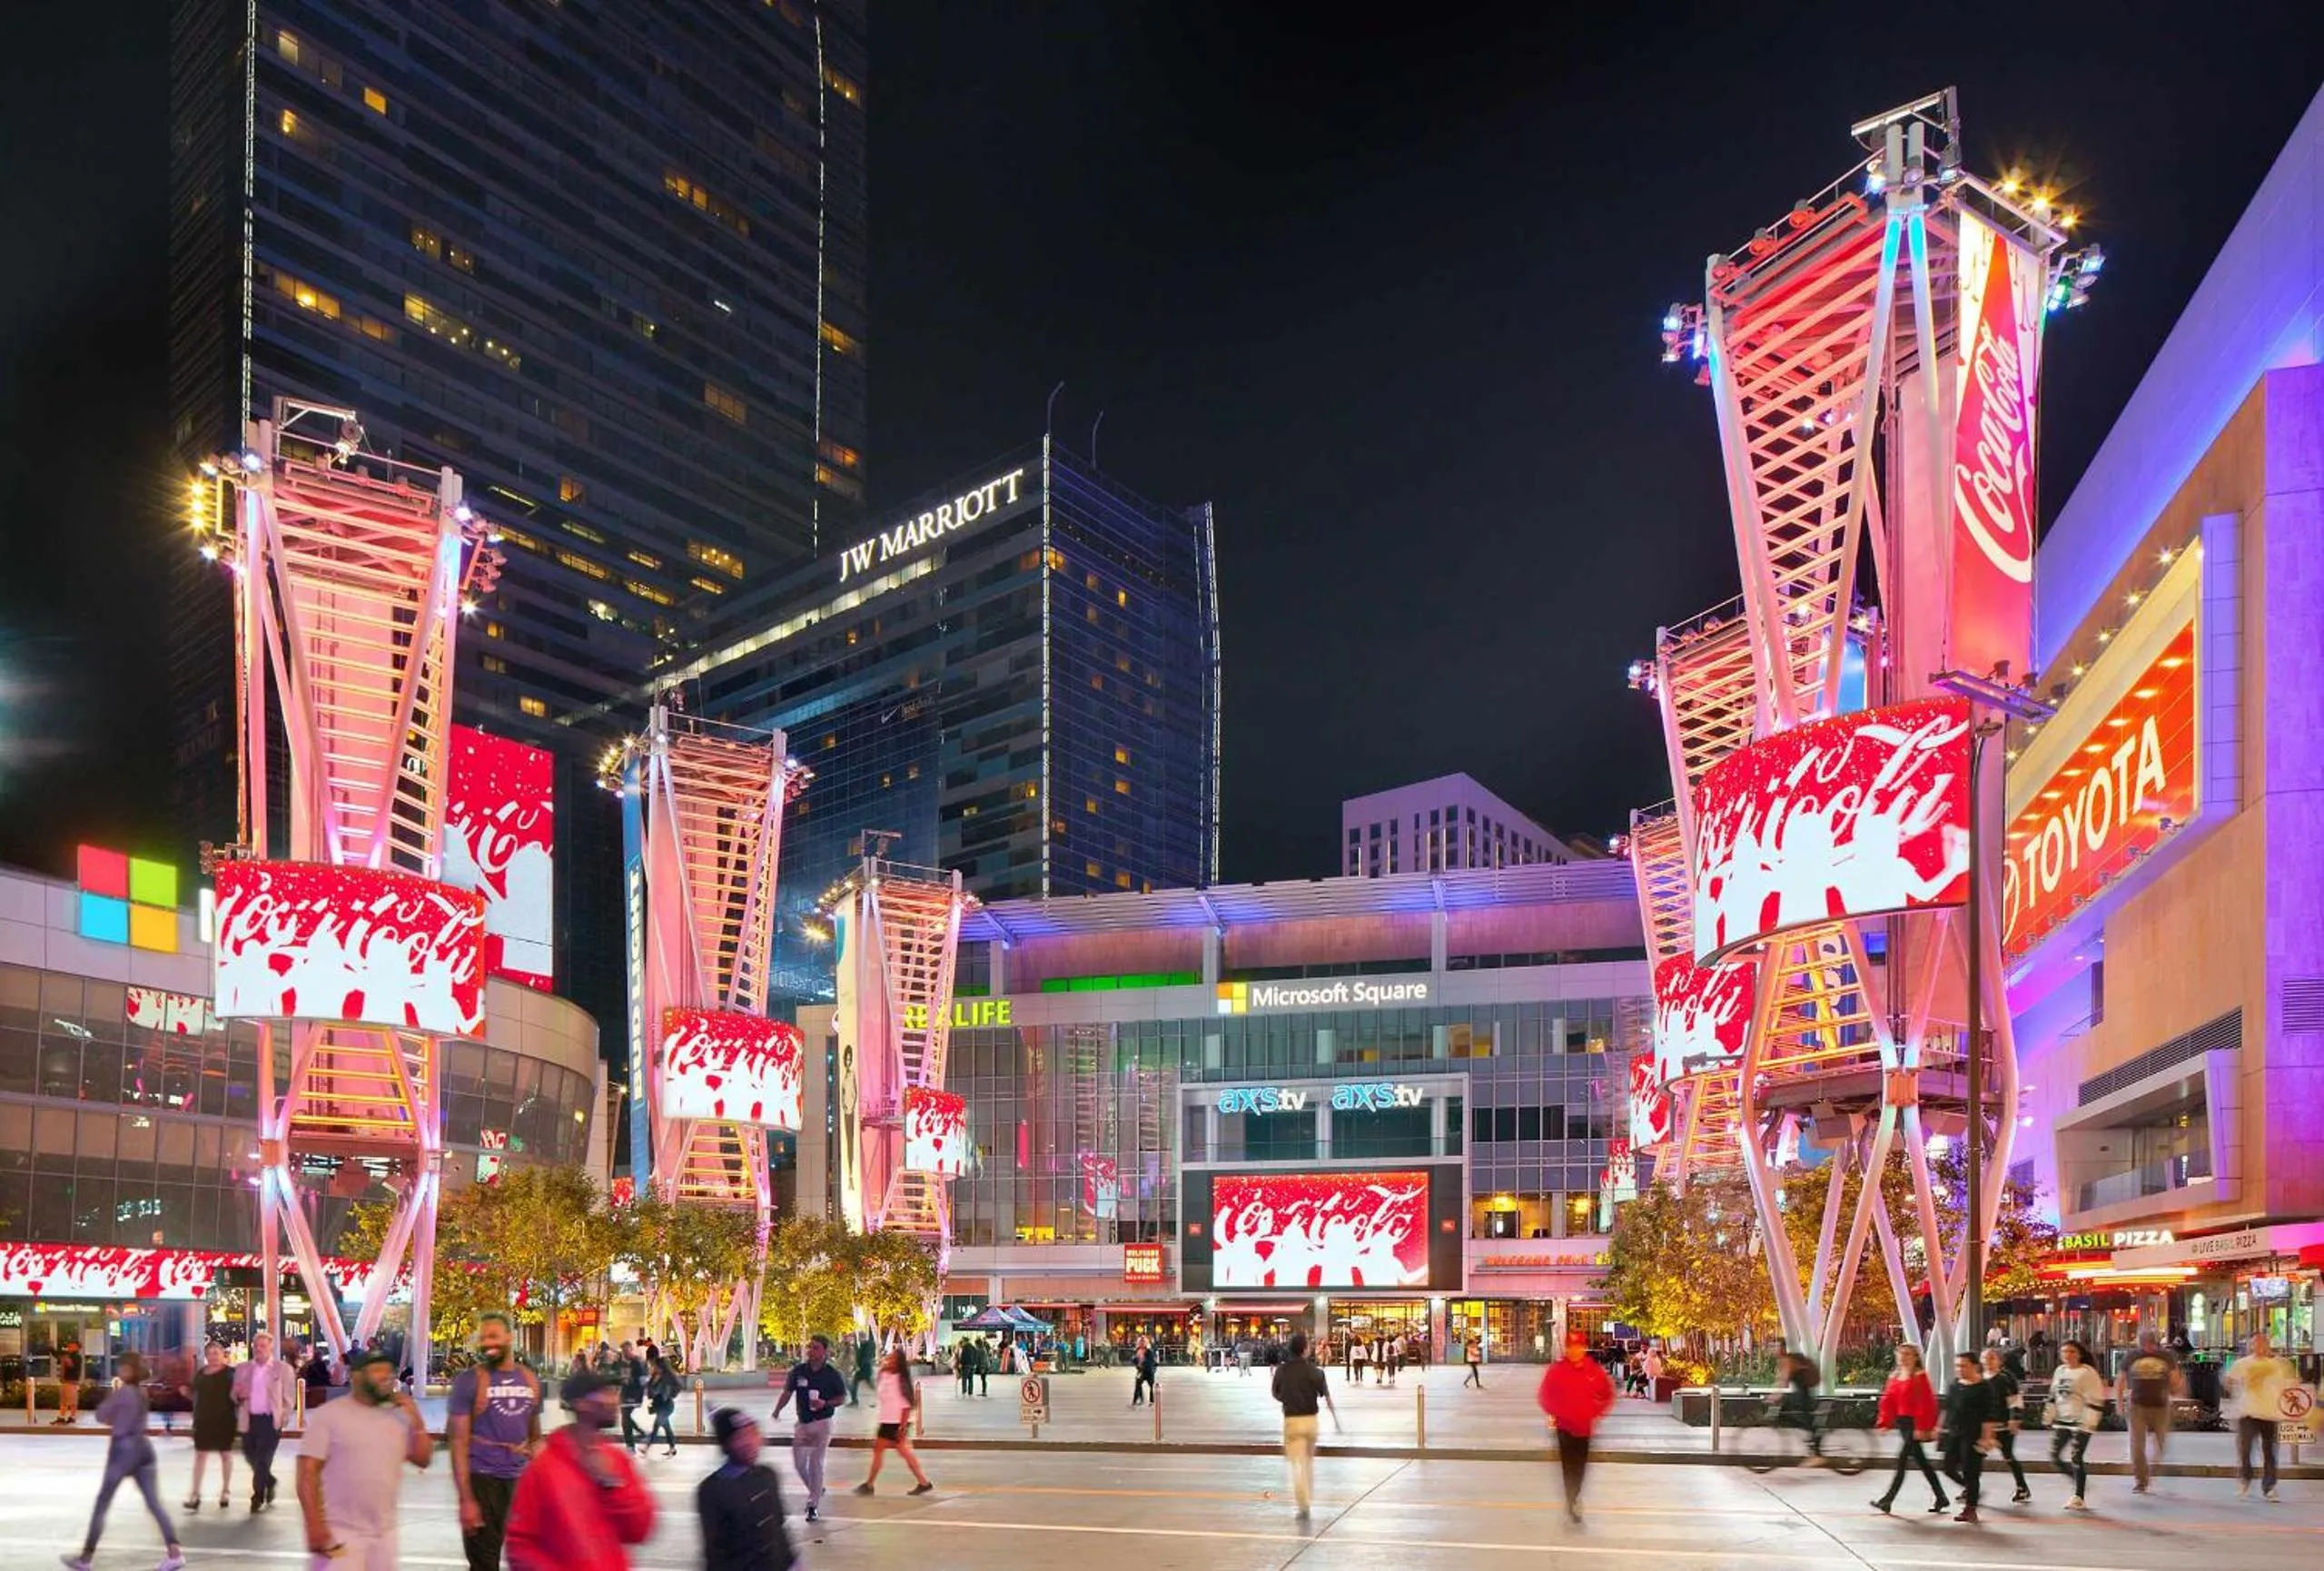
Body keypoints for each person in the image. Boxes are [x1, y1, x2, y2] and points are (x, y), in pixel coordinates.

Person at [296, 1349, 434, 1571]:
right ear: (357, 1376)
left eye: (389, 1371)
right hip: (340, 1532)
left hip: (384, 1534)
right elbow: (307, 1472)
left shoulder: (399, 1416)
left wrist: (416, 1419)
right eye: (377, 1370)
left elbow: (423, 1459)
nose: (386, 1376)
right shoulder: (329, 1415)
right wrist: (314, 1524)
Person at [505, 1368, 657, 1571]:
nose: (614, 1399)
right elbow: (520, 1545)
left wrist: (611, 1485)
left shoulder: (616, 1460)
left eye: (614, 1391)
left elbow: (640, 1529)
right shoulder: (543, 1469)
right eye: (606, 1392)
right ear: (581, 1404)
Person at [59, 1351, 186, 1571]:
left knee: (102, 1503)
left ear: (128, 1370)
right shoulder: (142, 1392)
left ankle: (86, 1558)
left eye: (122, 1367)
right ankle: (174, 1552)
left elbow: (100, 1415)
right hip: (143, 1448)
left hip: (122, 1450)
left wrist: (114, 1413)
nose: (119, 1370)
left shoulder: (123, 1392)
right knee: (154, 1503)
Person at [449, 1312, 544, 1571]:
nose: (487, 1343)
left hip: (519, 1484)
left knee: (529, 1559)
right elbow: (457, 1442)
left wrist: (537, 1448)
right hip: (483, 1481)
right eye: (483, 1338)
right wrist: (466, 1499)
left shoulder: (530, 1380)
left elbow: (535, 1435)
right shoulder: (469, 1381)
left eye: (493, 1336)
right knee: (484, 1564)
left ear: (510, 1338)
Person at [700, 1408, 796, 1571]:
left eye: (753, 1433)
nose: (750, 1442)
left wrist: (793, 1564)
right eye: (740, 1437)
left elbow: (779, 1528)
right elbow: (715, 1551)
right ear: (726, 1445)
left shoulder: (768, 1476)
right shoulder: (712, 1489)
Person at [1538, 1330, 1616, 1525]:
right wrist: (1556, 1412)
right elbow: (1544, 1395)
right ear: (1567, 1348)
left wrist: (1596, 1412)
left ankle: (1574, 1496)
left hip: (1584, 1428)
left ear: (1583, 1347)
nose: (1575, 1350)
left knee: (1579, 1467)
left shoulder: (1593, 1370)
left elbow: (1607, 1393)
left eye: (1578, 1346)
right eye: (1571, 1347)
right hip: (1564, 1428)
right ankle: (1571, 1499)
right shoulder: (1557, 1370)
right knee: (1568, 1466)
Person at [771, 1334, 847, 1522]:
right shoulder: (798, 1372)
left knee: (816, 1463)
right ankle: (816, 1488)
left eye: (815, 1348)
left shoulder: (832, 1374)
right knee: (799, 1464)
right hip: (803, 1424)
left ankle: (812, 1504)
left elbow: (841, 1398)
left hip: (822, 1423)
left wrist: (825, 1403)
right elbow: (787, 1393)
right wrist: (777, 1410)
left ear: (825, 1351)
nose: (811, 1351)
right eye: (809, 1347)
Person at [1870, 1345, 1947, 1516]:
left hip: (1914, 1423)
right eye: (1900, 1354)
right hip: (1903, 1424)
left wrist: (1922, 1427)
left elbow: (1927, 1403)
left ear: (1915, 1357)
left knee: (1902, 1461)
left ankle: (1887, 1500)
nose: (1903, 1358)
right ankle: (1941, 1497)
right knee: (1922, 1463)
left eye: (1907, 1354)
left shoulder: (1919, 1376)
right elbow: (1888, 1401)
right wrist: (1884, 1422)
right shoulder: (1895, 1376)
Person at [1269, 1330, 1338, 1520]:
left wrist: (1287, 1398)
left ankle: (1303, 1504)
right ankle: (1308, 1499)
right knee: (1308, 1462)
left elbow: (1275, 1393)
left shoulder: (1282, 1371)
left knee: (1297, 1465)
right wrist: (1335, 1418)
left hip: (1292, 1420)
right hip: (1311, 1421)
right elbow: (1326, 1395)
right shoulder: (1315, 1371)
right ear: (1305, 1350)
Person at [2223, 1330, 2297, 1502]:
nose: (2260, 1346)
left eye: (2263, 1342)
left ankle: (2269, 1487)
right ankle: (2245, 1481)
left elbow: (2292, 1382)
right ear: (2251, 1345)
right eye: (2256, 1343)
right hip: (2248, 1412)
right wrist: (2238, 1392)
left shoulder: (2279, 1364)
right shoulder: (2243, 1363)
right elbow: (2228, 1381)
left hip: (2270, 1413)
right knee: (2246, 1449)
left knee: (2269, 1452)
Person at [854, 1347, 935, 1496]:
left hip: (896, 1422)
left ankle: (870, 1484)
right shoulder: (884, 1375)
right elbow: (880, 1393)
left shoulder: (901, 1379)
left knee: (896, 1452)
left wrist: (902, 1427)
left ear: (899, 1363)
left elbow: (906, 1405)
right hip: (886, 1420)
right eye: (889, 1357)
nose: (889, 1360)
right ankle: (923, 1482)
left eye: (893, 1359)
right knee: (898, 1452)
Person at [233, 1328, 298, 1512]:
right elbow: (233, 1395)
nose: (258, 1349)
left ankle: (258, 1496)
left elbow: (289, 1398)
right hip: (249, 1420)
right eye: (256, 1346)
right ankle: (269, 1481)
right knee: (249, 1455)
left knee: (263, 1459)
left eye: (262, 1346)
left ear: (270, 1348)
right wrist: (238, 1395)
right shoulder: (243, 1369)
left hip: (270, 1422)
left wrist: (283, 1417)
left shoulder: (283, 1369)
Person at [2115, 1330, 2182, 1494]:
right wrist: (2119, 1402)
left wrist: (2176, 1389)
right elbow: (2121, 1379)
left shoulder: (2166, 1356)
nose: (2148, 1347)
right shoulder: (2132, 1356)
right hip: (2137, 1405)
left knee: (2160, 1442)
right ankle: (2141, 1480)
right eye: (2145, 1343)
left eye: (2151, 1343)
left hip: (2161, 1405)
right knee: (2137, 1445)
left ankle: (2153, 1466)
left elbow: (2175, 1377)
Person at [1938, 1352, 1999, 1522]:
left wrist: (1987, 1437)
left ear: (1974, 1366)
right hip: (1954, 1432)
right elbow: (1947, 1408)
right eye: (1958, 1366)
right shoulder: (1955, 1385)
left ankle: (1970, 1508)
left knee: (1970, 1471)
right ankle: (1972, 1491)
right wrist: (1940, 1428)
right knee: (1948, 1468)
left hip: (1973, 1434)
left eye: (1964, 1365)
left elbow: (1989, 1415)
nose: (1960, 1369)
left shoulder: (1983, 1387)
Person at [2046, 1338, 2105, 1511]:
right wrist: (2049, 1415)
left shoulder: (2087, 1373)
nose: (2068, 1355)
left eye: (2072, 1352)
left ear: (2079, 1354)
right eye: (2064, 1352)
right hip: (2063, 1421)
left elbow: (2096, 1399)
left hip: (2081, 1421)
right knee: (2054, 1456)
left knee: (2076, 1456)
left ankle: (2078, 1496)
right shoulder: (2060, 1371)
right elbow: (2053, 1395)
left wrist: (2088, 1422)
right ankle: (2078, 1479)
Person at [183, 1342, 239, 1511]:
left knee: (226, 1455)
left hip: (224, 1419)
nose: (214, 1356)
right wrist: (186, 1393)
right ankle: (195, 1493)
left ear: (223, 1354)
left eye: (217, 1353)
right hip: (203, 1419)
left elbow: (238, 1395)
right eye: (210, 1353)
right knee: (200, 1456)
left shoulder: (231, 1373)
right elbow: (195, 1394)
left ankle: (225, 1491)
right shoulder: (201, 1373)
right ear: (206, 1356)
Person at [1979, 1347, 2032, 1504]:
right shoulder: (1980, 1378)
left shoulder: (2005, 1378)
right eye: (1985, 1358)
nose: (1988, 1362)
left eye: (1992, 1358)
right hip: (1985, 1425)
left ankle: (2022, 1487)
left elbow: (2015, 1399)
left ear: (1999, 1360)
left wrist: (2015, 1419)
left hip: (2003, 1425)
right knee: (1975, 1458)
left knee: (2008, 1456)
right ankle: (1970, 1488)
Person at [1776, 1352, 1825, 1463]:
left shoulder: (1788, 1360)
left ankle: (1817, 1453)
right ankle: (1814, 1446)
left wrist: (1775, 1396)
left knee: (1805, 1421)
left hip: (1803, 1394)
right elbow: (1783, 1380)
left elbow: (1784, 1380)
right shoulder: (1789, 1359)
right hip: (1804, 1393)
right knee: (1806, 1421)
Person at [646, 1351, 682, 1457]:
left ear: (660, 1366)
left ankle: (646, 1447)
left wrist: (671, 1394)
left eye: (654, 1365)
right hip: (658, 1405)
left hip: (666, 1405)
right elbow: (650, 1390)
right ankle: (672, 1448)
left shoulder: (667, 1377)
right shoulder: (654, 1376)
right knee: (666, 1427)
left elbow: (678, 1386)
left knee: (656, 1426)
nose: (653, 1367)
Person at [619, 1340, 648, 1451]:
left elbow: (642, 1380)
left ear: (631, 1349)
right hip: (625, 1394)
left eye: (626, 1350)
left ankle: (631, 1444)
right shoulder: (624, 1362)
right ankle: (638, 1436)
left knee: (625, 1419)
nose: (624, 1353)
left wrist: (638, 1392)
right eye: (623, 1351)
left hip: (633, 1395)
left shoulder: (637, 1362)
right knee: (625, 1418)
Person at [54, 1339, 84, 1426]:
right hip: (65, 1380)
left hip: (72, 1382)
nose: (69, 1347)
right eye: (69, 1345)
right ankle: (62, 1417)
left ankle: (72, 1417)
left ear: (77, 1347)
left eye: (72, 1346)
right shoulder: (68, 1355)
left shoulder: (77, 1357)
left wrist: (66, 1360)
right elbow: (59, 1357)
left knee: (72, 1401)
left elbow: (71, 1366)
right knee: (63, 1401)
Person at [301, 1340, 333, 1408]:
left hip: (313, 1384)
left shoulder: (310, 1364)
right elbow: (324, 1374)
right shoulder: (320, 1364)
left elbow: (307, 1374)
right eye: (320, 1355)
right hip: (319, 1383)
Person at [851, 1332, 876, 1407]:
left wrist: (860, 1366)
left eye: (860, 1336)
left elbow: (866, 1357)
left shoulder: (867, 1345)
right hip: (862, 1369)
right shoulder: (862, 1345)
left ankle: (854, 1401)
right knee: (855, 1384)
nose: (859, 1338)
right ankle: (854, 1400)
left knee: (869, 1385)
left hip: (865, 1369)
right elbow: (858, 1354)